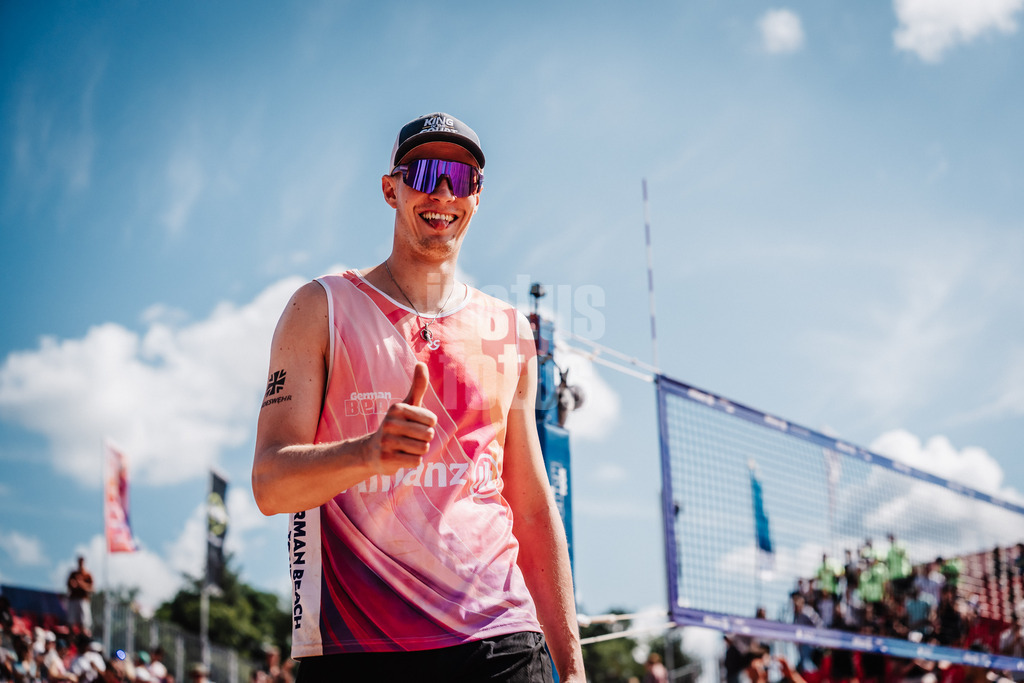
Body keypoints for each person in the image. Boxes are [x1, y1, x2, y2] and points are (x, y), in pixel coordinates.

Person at [251, 112, 585, 683]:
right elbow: (270, 484)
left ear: (478, 197)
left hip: (499, 638)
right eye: (426, 172)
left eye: (462, 178)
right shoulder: (320, 307)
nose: (444, 193)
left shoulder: (509, 330)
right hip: (359, 646)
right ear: (391, 188)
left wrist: (573, 667)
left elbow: (529, 506)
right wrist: (367, 453)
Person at [66, 556, 94, 636]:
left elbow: (92, 588)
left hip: (83, 599)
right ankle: (71, 635)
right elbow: (68, 585)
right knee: (71, 620)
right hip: (73, 599)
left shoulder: (87, 575)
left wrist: (81, 584)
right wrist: (73, 584)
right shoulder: (73, 574)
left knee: (84, 621)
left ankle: (84, 635)